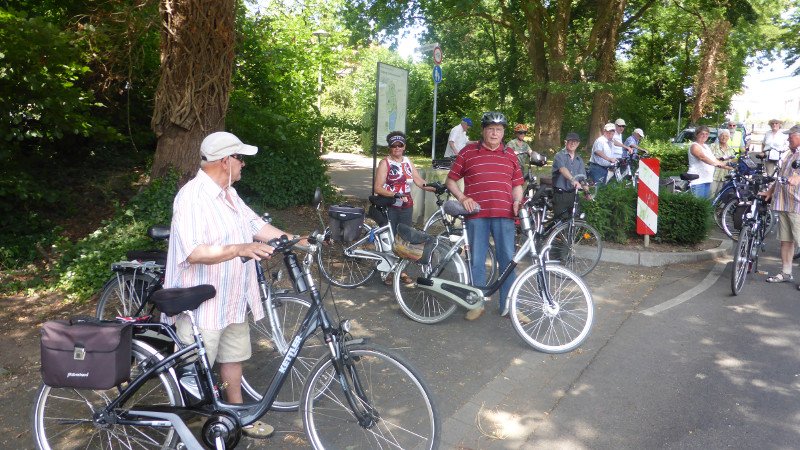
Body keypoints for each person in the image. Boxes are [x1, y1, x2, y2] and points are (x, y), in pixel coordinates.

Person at [164, 131, 304, 439]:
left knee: (233, 358)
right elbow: (194, 252)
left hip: (232, 297)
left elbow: (256, 225)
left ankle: (238, 416)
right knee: (193, 375)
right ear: (225, 161)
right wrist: (240, 249)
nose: (244, 165)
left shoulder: (229, 193)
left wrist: (294, 239)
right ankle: (188, 434)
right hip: (201, 305)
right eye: (240, 158)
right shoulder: (192, 197)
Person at [445, 112, 525, 321]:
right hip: (477, 215)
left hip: (505, 215)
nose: (494, 133)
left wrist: (517, 201)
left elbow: (517, 184)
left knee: (507, 260)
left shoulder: (510, 154)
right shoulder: (468, 152)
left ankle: (508, 305)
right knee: (477, 261)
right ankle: (477, 304)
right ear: (483, 130)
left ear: (504, 132)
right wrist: (463, 199)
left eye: (499, 130)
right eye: (490, 129)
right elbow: (451, 180)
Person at [373, 131, 436, 285]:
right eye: (394, 146)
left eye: (400, 145)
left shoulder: (407, 161)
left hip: (406, 206)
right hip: (390, 206)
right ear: (389, 147)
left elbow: (418, 181)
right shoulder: (385, 163)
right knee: (391, 239)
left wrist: (434, 188)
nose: (397, 148)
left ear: (404, 146)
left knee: (404, 239)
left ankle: (400, 270)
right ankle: (388, 272)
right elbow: (378, 188)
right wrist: (393, 194)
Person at [762, 125, 800, 284]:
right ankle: (786, 272)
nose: (788, 139)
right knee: (786, 241)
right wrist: (770, 191)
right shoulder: (789, 155)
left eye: (791, 136)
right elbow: (781, 176)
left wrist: (797, 178)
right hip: (784, 204)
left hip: (797, 205)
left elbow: (797, 175)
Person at [687, 125, 731, 198]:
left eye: (706, 134)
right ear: (696, 134)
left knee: (704, 205)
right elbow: (702, 157)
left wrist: (731, 167)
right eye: (702, 134)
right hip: (697, 181)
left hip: (707, 180)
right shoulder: (694, 146)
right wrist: (715, 164)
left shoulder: (706, 147)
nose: (704, 136)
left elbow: (715, 160)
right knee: (697, 205)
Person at [551, 132, 587, 220]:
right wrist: (573, 180)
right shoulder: (559, 156)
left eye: (575, 142)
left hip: (574, 194)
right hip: (561, 194)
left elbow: (582, 178)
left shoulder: (579, 160)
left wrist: (586, 190)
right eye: (570, 141)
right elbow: (562, 169)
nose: (573, 143)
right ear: (565, 142)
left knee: (574, 221)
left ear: (578, 144)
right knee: (560, 222)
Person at [710, 128, 735, 196]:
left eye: (726, 136)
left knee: (720, 197)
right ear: (718, 136)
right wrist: (721, 159)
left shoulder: (731, 149)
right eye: (722, 135)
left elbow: (731, 162)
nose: (724, 138)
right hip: (713, 175)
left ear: (729, 137)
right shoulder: (713, 146)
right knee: (710, 196)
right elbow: (710, 159)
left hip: (724, 177)